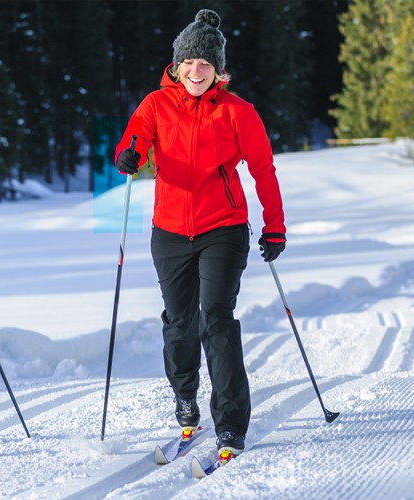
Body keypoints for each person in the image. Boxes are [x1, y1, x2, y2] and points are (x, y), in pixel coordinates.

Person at [113, 9, 286, 462]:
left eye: (205, 64)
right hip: (169, 232)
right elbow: (133, 142)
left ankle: (231, 423)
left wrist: (275, 226)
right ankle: (185, 397)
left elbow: (264, 170)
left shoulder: (237, 113)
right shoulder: (155, 104)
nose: (196, 71)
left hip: (223, 230)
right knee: (179, 323)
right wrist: (129, 156)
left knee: (217, 318)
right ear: (177, 64)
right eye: (189, 62)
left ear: (218, 70)